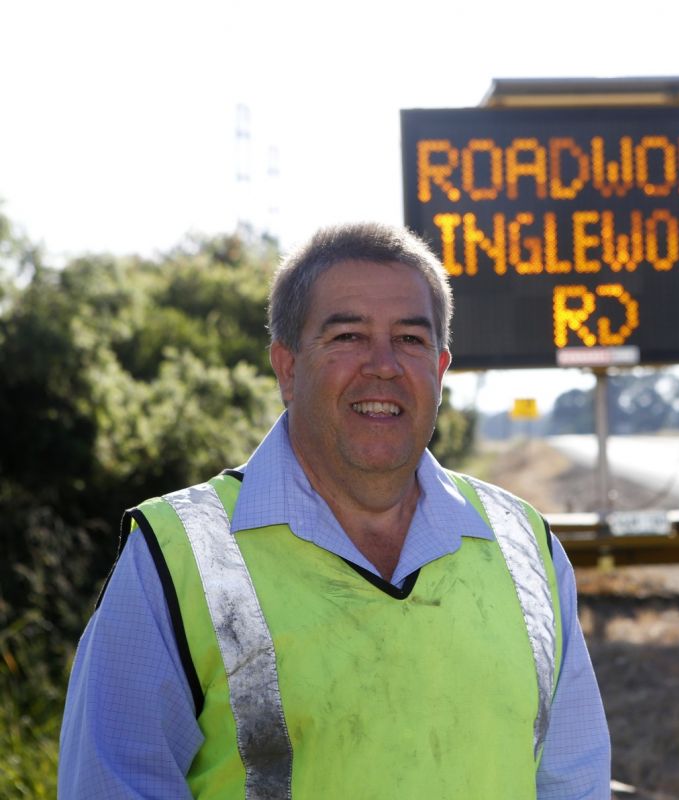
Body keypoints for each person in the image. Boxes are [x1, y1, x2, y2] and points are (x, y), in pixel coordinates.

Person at [58, 222, 611, 798]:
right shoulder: (175, 556)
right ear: (288, 367)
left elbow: (574, 780)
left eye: (410, 339)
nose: (383, 365)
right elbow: (111, 783)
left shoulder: (526, 546)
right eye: (348, 336)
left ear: (441, 370)